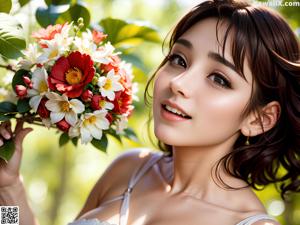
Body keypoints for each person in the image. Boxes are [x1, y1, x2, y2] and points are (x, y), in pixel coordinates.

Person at [0, 0, 299, 224]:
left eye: (219, 78)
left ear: (260, 118)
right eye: (180, 60)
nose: (179, 83)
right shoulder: (128, 169)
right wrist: (8, 192)